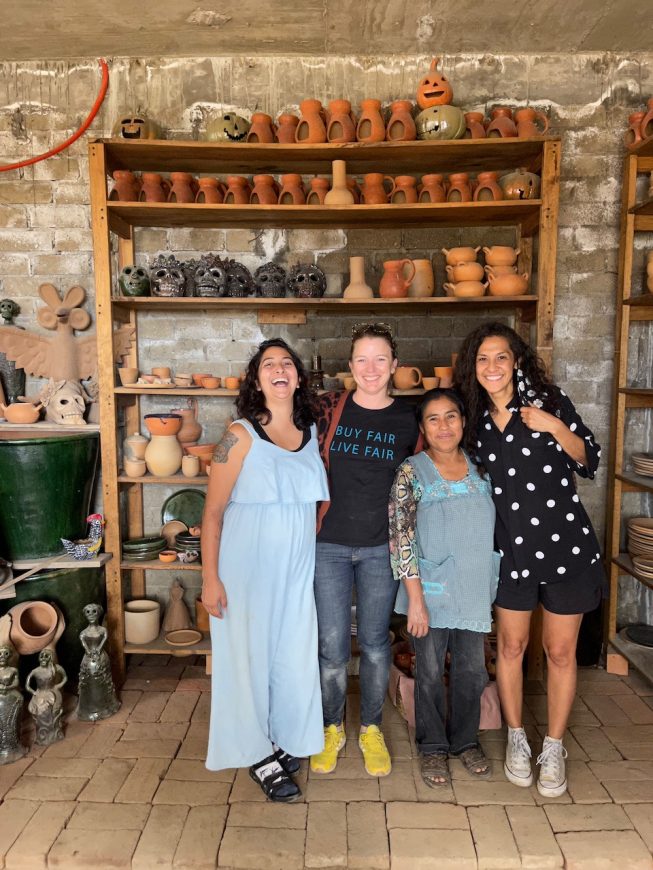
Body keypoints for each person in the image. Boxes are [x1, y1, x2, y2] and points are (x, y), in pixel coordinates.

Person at [455, 321, 604, 798]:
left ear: (516, 361)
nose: (491, 366)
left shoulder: (549, 402)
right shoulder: (472, 418)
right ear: (472, 368)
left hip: (565, 549)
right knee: (512, 648)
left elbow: (590, 460)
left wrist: (557, 427)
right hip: (508, 552)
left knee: (559, 652)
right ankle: (517, 737)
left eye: (500, 357)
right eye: (482, 359)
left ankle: (554, 747)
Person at [201, 338, 329, 802]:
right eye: (268, 364)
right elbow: (212, 512)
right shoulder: (239, 435)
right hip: (245, 567)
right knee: (246, 660)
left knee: (290, 656)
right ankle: (256, 753)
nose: (279, 369)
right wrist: (210, 579)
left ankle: (282, 736)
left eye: (287, 363)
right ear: (258, 379)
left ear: (298, 376)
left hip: (294, 569)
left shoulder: (310, 430)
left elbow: (316, 495)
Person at [310, 322, 420, 777]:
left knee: (375, 644)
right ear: (350, 366)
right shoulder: (327, 411)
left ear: (395, 365)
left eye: (380, 359)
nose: (371, 369)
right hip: (329, 545)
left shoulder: (409, 419)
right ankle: (331, 726)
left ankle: (370, 727)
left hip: (380, 549)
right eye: (362, 360)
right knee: (333, 648)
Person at [389, 388, 499, 787]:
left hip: (472, 586)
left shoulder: (482, 467)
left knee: (472, 670)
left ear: (463, 421)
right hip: (430, 590)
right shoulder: (411, 471)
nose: (443, 426)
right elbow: (401, 537)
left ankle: (465, 742)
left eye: (450, 416)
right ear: (423, 428)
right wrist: (415, 600)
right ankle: (433, 746)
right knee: (430, 670)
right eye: (433, 419)